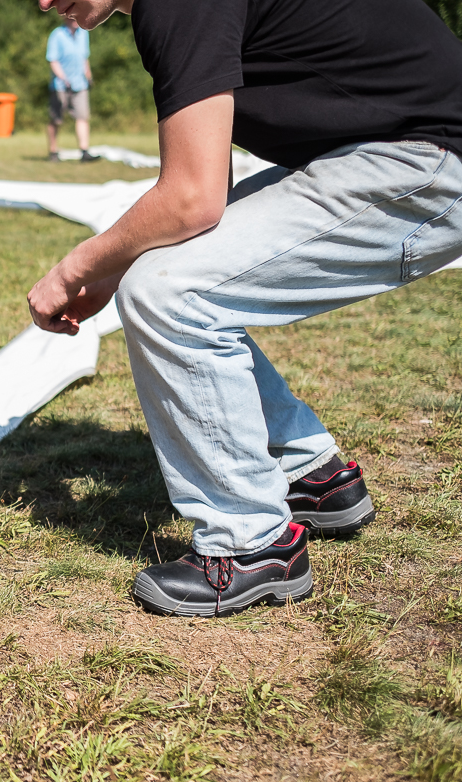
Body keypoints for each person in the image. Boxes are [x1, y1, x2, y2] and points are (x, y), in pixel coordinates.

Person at [28, 0, 462, 616]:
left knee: (169, 292)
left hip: (425, 161)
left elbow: (192, 199)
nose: (43, 1)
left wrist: (76, 268)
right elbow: (206, 182)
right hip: (392, 149)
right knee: (163, 279)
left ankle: (251, 545)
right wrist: (116, 263)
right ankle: (310, 475)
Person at [46, 16, 99, 163]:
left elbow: (84, 58)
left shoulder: (84, 33)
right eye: (71, 18)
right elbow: (53, 60)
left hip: (80, 84)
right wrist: (63, 78)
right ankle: (53, 151)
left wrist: (89, 76)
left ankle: (84, 151)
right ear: (65, 19)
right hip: (60, 85)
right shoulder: (57, 35)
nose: (74, 20)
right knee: (56, 119)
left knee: (82, 117)